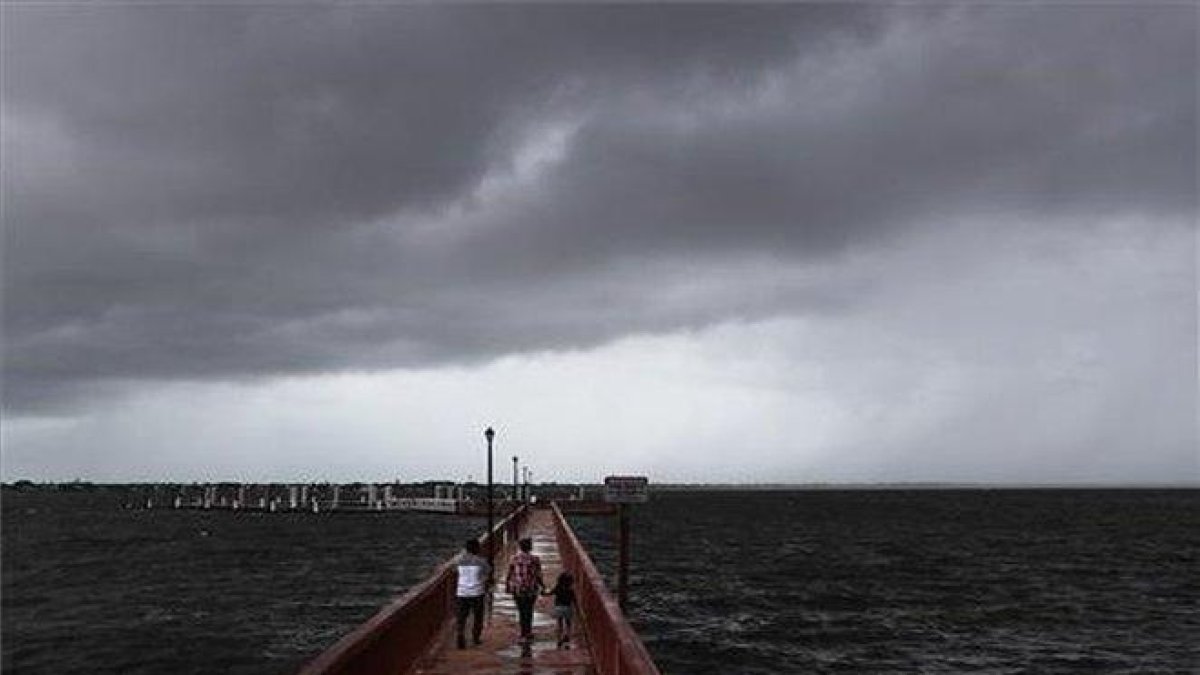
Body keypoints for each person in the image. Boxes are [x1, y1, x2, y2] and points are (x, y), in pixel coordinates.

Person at [505, 537, 544, 643]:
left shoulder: (514, 558)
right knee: (529, 610)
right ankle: (528, 632)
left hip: (518, 589)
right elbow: (538, 574)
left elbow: (510, 573)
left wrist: (507, 586)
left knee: (521, 611)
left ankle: (523, 633)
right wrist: (543, 586)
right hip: (531, 589)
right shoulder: (535, 559)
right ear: (530, 547)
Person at [455, 539, 490, 649]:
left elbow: (454, 570)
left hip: (462, 592)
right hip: (477, 592)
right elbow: (488, 573)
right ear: (477, 548)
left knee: (462, 616)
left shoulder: (459, 560)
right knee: (478, 616)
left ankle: (460, 635)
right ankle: (475, 637)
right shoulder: (481, 561)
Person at [543, 571, 575, 649]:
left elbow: (549, 593)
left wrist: (543, 593)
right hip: (567, 608)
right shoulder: (570, 590)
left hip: (558, 608)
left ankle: (559, 638)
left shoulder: (557, 587)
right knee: (568, 623)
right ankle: (567, 636)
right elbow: (574, 600)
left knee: (559, 623)